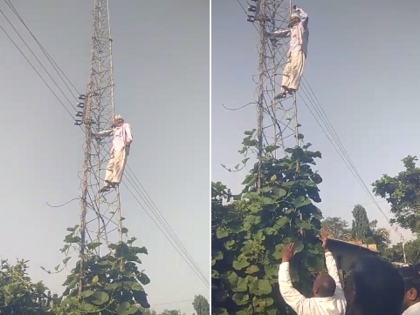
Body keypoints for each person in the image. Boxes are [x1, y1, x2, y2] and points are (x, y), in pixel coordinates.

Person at [278, 236, 346, 315]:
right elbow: (334, 273)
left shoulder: (310, 308)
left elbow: (286, 290)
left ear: (316, 290)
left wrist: (285, 259)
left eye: (315, 281)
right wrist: (327, 250)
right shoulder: (341, 301)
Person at [266, 5, 309, 99]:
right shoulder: (292, 29)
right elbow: (283, 33)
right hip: (292, 53)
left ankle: (293, 87)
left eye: (295, 19)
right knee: (286, 71)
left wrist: (298, 10)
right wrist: (270, 35)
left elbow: (305, 17)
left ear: (297, 20)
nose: (293, 21)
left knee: (296, 69)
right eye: (292, 20)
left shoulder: (302, 26)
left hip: (299, 50)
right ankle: (283, 92)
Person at [93, 114, 133, 193]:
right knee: (109, 167)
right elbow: (106, 132)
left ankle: (115, 180)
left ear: (122, 120)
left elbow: (129, 135)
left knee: (118, 164)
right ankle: (106, 185)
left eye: (119, 120)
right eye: (116, 121)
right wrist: (96, 134)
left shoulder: (125, 126)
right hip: (114, 151)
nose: (118, 121)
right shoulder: (115, 130)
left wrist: (127, 142)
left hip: (121, 147)